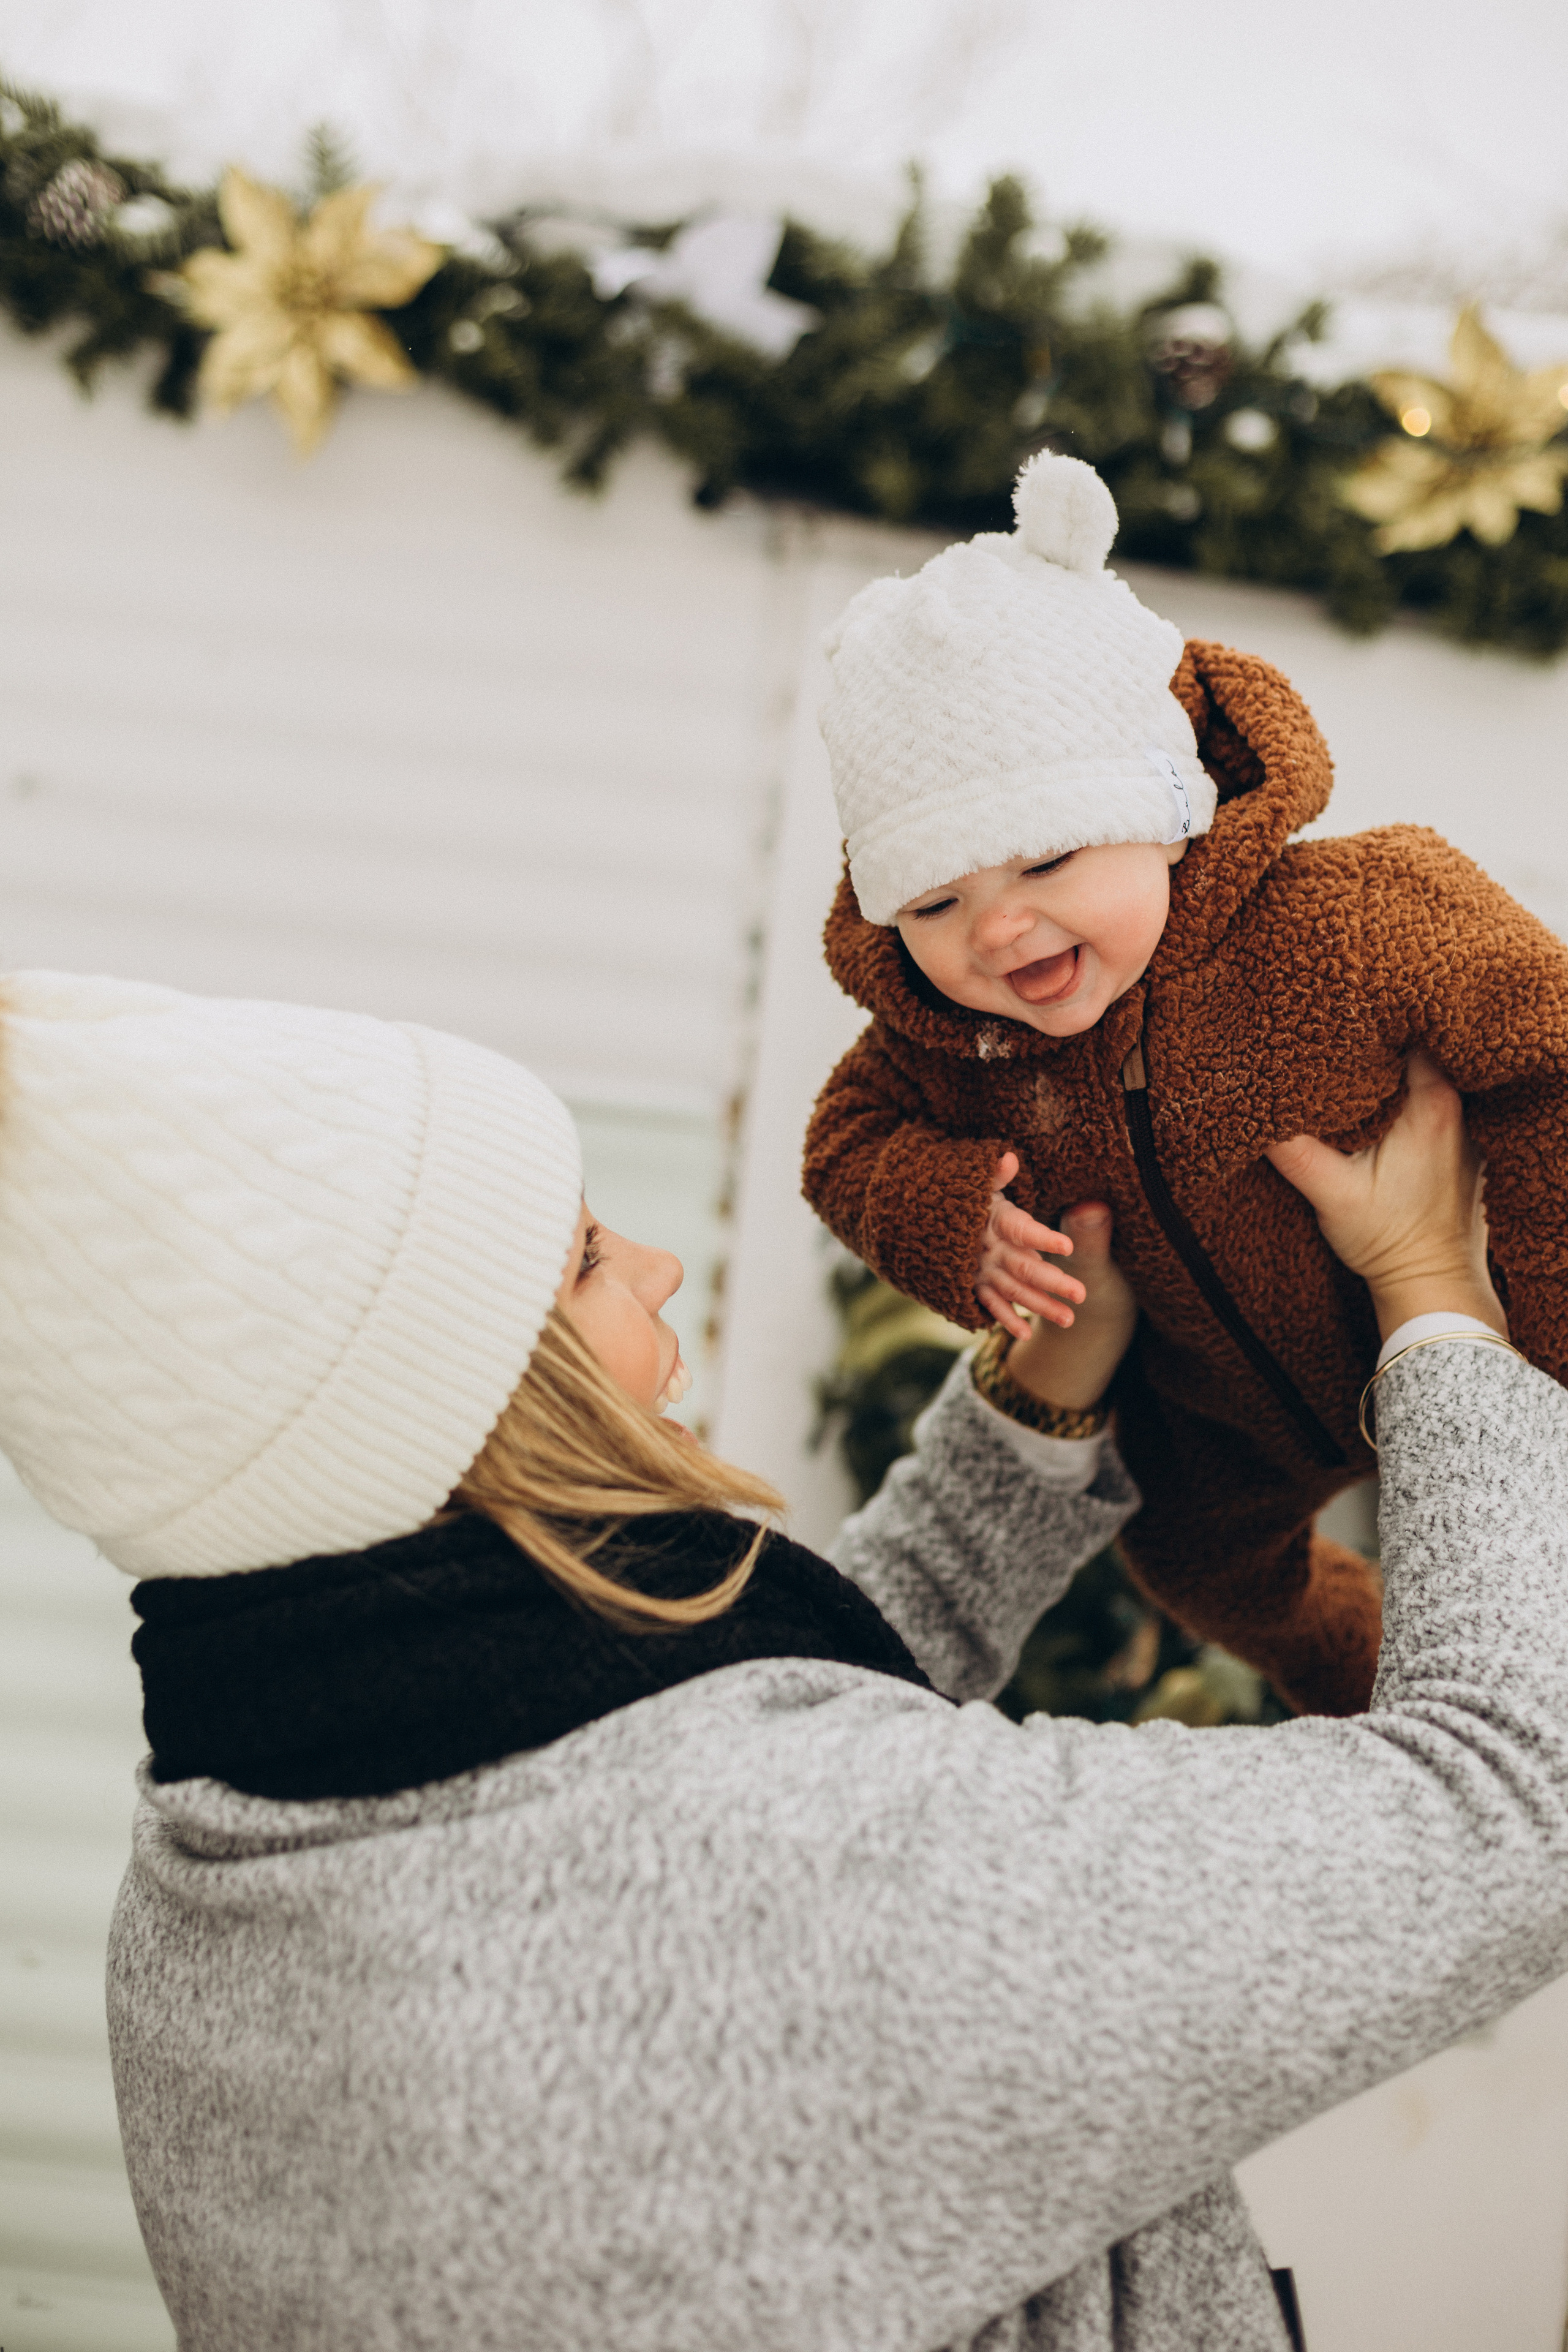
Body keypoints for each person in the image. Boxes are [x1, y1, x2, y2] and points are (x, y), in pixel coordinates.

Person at [0, 971, 1564, 2350]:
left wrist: (1024, 1426)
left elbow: (716, 1772)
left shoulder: (221, 1861)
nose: (661, 1265)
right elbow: (1514, 1801)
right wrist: (1433, 1293)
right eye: (583, 1262)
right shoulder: (772, 1883)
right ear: (464, 1408)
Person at [802, 450, 1568, 1717]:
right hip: (1213, 1420)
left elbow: (1544, 1039)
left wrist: (1541, 1312)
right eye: (936, 900)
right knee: (1196, 1565)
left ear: (1167, 808)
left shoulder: (1362, 914)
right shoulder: (945, 1047)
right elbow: (844, 1145)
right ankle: (1381, 1688)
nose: (997, 930)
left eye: (1044, 856)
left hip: (1478, 1325)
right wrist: (949, 1215)